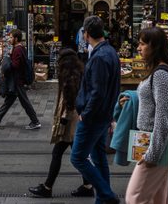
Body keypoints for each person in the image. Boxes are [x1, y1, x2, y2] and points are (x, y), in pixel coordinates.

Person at [29, 48, 92, 199]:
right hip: (77, 122)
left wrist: (62, 120)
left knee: (58, 153)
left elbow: (69, 102)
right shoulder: (80, 74)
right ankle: (88, 186)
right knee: (78, 156)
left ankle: (47, 187)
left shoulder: (68, 78)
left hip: (69, 123)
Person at [70, 15, 120, 204]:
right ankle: (103, 199)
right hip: (104, 115)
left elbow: (98, 91)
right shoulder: (110, 51)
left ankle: (106, 194)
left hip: (94, 117)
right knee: (99, 158)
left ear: (86, 34)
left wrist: (86, 114)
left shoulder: (99, 56)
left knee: (77, 157)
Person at [125, 27, 168, 204]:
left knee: (135, 197)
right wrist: (131, 99)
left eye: (142, 44)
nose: (138, 48)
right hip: (151, 141)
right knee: (157, 199)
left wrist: (153, 155)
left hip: (157, 144)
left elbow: (164, 118)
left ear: (154, 46)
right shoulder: (157, 71)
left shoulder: (161, 74)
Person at [0, 29, 42, 129]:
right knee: (9, 100)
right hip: (16, 79)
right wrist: (10, 54)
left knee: (25, 102)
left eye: (11, 37)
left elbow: (15, 64)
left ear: (16, 38)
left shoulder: (17, 50)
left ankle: (35, 121)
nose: (9, 39)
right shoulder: (20, 48)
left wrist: (7, 62)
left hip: (17, 80)